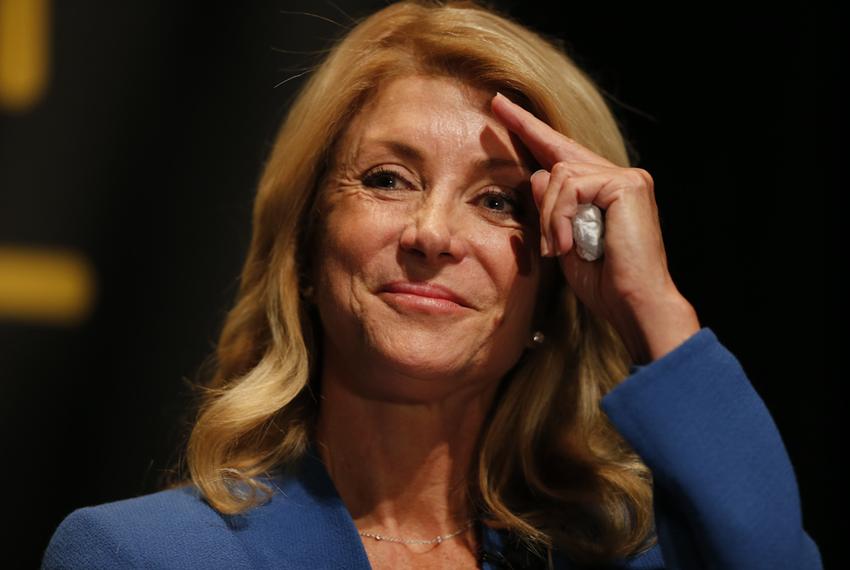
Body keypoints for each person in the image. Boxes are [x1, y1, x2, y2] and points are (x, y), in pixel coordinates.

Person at [42, 1, 822, 568]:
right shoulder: (142, 554)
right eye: (388, 180)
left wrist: (654, 309)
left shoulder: (627, 553)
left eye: (498, 201)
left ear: (554, 287)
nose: (433, 234)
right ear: (308, 251)